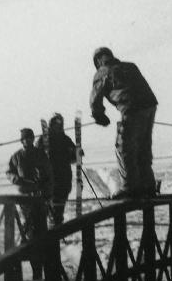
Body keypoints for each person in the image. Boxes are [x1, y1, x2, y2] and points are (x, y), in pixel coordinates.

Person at [89, 46, 158, 198]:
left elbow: (95, 99)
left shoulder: (102, 72)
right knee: (143, 145)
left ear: (98, 61)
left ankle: (130, 187)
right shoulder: (130, 66)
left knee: (124, 146)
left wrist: (99, 116)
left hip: (131, 108)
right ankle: (148, 185)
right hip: (149, 105)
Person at [6, 127, 53, 242]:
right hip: (25, 197)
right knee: (28, 225)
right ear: (21, 141)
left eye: (29, 138)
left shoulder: (40, 154)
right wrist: (16, 179)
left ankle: (42, 249)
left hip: (40, 195)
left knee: (41, 225)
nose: (27, 141)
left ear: (33, 139)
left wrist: (47, 191)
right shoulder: (17, 156)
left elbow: (49, 174)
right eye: (24, 139)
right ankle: (30, 248)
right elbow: (9, 173)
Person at [37, 113, 77, 226]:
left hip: (64, 178)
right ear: (51, 124)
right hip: (50, 178)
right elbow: (37, 158)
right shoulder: (44, 140)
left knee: (59, 208)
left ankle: (57, 225)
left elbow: (74, 158)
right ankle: (51, 226)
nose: (58, 126)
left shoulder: (66, 139)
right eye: (56, 124)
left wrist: (76, 152)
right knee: (51, 207)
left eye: (60, 124)